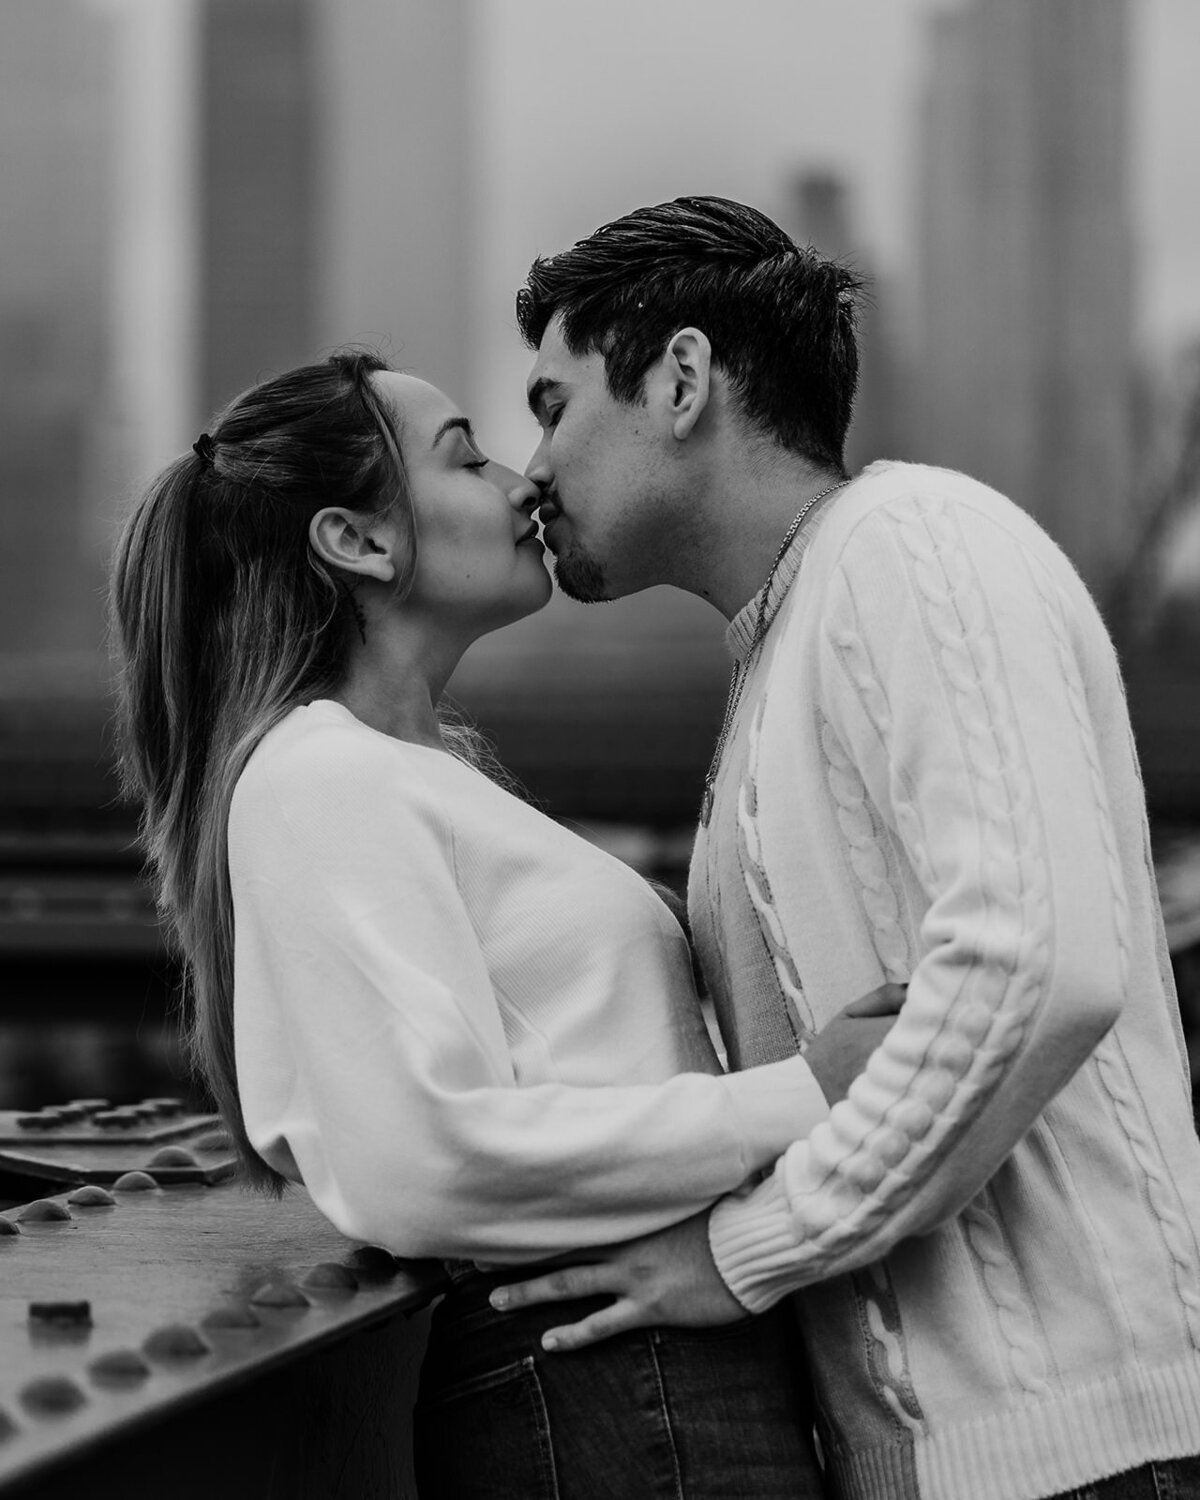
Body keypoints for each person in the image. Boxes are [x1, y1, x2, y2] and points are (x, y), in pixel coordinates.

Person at [492, 197, 1200, 1500]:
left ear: (682, 378)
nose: (529, 472)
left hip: (1089, 1455)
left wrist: (747, 1251)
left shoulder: (913, 543)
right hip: (957, 1464)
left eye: (552, 406)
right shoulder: (789, 642)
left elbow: (1038, 967)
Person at [109, 348, 902, 1499]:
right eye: (463, 455)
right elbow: (415, 1162)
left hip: (645, 1360)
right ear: (360, 541)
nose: (520, 481)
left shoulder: (406, 772)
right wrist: (803, 1094)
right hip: (607, 1382)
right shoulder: (315, 777)